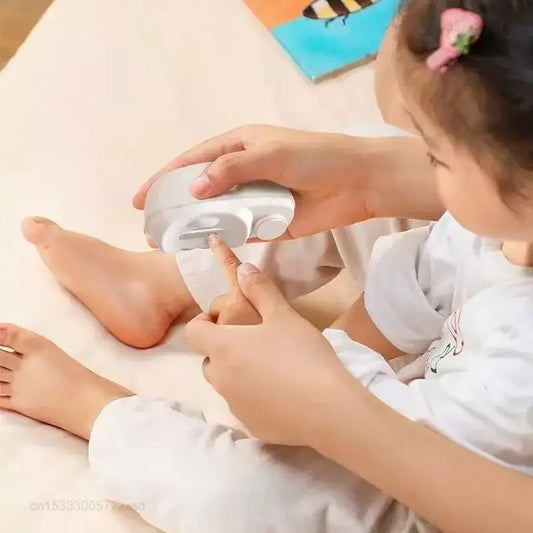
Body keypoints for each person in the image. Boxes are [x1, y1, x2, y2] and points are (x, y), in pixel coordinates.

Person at [1, 2, 532, 533]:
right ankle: (162, 284)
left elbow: (409, 446)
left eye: (434, 156)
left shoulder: (518, 371)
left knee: (233, 497)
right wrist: (321, 351)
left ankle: (97, 411)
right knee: (349, 175)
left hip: (455, 483)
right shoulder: (506, 225)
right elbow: (426, 273)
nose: (424, 162)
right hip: (454, 370)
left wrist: (317, 400)